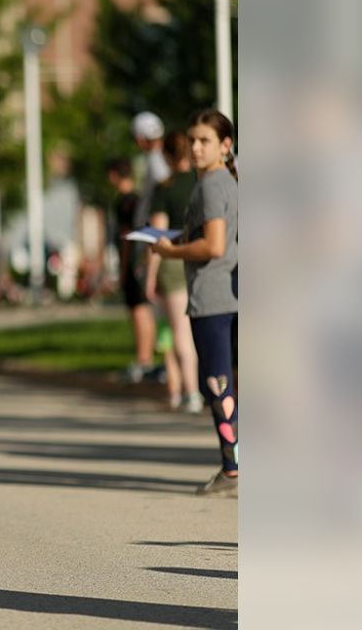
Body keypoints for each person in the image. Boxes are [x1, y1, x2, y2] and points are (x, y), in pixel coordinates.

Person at [151, 110, 239, 497]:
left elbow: (214, 245)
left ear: (225, 145)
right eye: (193, 140)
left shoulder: (210, 186)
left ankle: (231, 468)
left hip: (213, 297)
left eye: (205, 140)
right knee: (228, 383)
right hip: (232, 295)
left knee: (217, 384)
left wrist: (170, 251)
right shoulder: (229, 183)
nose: (196, 147)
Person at [144, 131, 201, 412]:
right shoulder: (203, 182)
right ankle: (202, 385)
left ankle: (190, 390)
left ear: (166, 155)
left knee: (179, 329)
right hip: (203, 257)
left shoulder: (164, 188)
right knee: (200, 327)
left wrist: (150, 273)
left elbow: (159, 234)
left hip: (173, 262)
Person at [107, 157, 157, 382]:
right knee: (140, 309)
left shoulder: (126, 202)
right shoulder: (137, 199)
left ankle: (144, 358)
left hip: (133, 262)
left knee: (138, 310)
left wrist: (124, 267)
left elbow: (127, 236)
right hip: (139, 261)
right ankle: (145, 357)